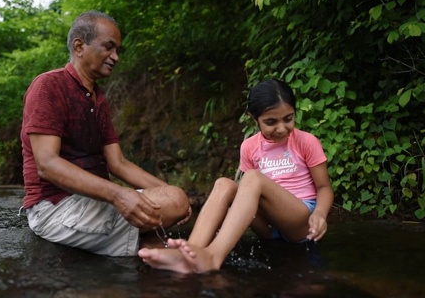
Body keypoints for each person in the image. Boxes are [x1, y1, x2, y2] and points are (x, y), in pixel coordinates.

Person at [21, 10, 191, 257]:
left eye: (118, 50)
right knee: (174, 204)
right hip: (54, 208)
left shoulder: (97, 99)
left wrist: (172, 194)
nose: (116, 57)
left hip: (92, 203)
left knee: (174, 217)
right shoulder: (49, 86)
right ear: (79, 46)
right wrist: (119, 194)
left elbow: (118, 163)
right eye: (109, 48)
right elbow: (47, 164)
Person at [138, 78, 334, 273]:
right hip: (269, 226)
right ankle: (191, 252)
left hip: (300, 220)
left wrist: (320, 214)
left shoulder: (306, 142)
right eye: (271, 122)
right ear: (253, 118)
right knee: (225, 183)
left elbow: (324, 187)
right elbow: (245, 196)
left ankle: (214, 256)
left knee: (252, 178)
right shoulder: (249, 146)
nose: (281, 128)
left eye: (288, 119)